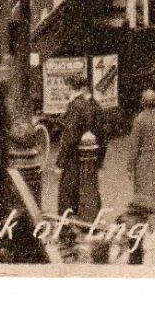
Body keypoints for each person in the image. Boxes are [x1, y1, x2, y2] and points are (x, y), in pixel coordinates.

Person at [54, 70, 104, 215]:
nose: (62, 90)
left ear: (70, 87)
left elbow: (69, 137)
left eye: (64, 86)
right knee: (82, 188)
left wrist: (60, 162)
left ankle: (66, 223)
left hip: (73, 157)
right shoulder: (85, 103)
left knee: (67, 192)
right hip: (85, 154)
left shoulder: (75, 106)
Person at [128, 89, 155, 210]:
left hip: (143, 158)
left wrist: (130, 167)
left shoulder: (139, 120)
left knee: (143, 186)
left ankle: (145, 208)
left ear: (143, 102)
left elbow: (134, 146)